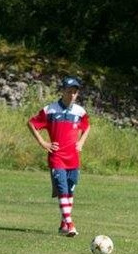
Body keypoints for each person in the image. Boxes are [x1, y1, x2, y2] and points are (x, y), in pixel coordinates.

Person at [27, 76, 91, 237]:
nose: (72, 95)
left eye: (75, 92)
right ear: (62, 91)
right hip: (57, 157)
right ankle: (70, 224)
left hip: (73, 158)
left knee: (70, 189)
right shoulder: (50, 110)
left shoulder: (80, 112)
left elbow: (87, 126)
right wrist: (43, 143)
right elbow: (32, 123)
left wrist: (81, 142)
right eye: (69, 91)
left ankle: (63, 223)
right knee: (62, 189)